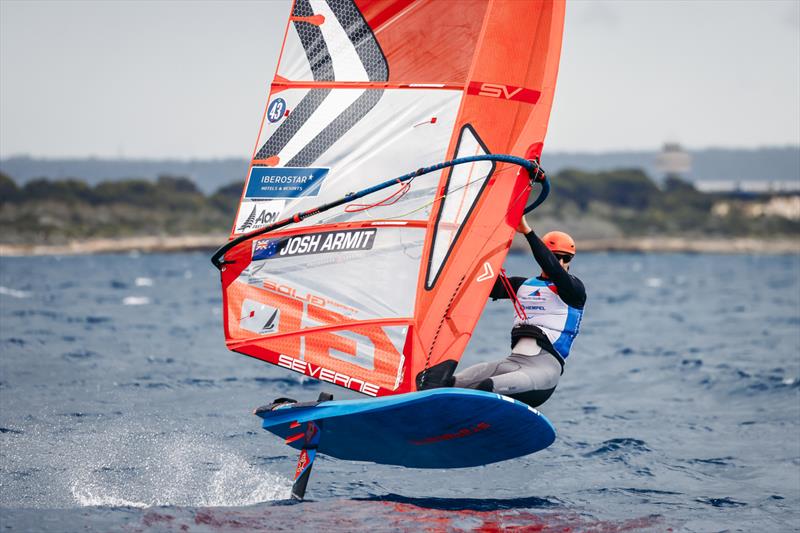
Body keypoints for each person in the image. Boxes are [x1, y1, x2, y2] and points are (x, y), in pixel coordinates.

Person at [452, 215, 586, 407]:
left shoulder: (574, 290)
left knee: (485, 388)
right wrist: (470, 239)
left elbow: (554, 270)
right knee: (450, 384)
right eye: (557, 257)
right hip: (512, 363)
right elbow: (478, 283)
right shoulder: (523, 286)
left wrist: (527, 232)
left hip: (542, 373)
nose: (562, 262)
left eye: (567, 258)